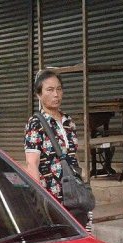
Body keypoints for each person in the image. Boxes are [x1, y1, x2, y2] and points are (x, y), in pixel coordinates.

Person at [24, 68, 86, 225]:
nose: (56, 94)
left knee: (80, 233)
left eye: (59, 89)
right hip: (53, 198)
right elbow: (32, 164)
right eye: (50, 90)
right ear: (39, 94)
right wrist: (40, 199)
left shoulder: (68, 122)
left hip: (74, 195)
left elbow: (74, 155)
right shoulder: (35, 124)